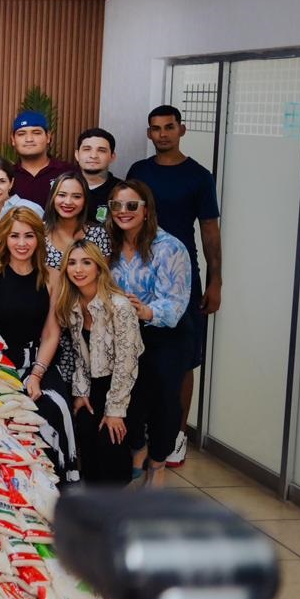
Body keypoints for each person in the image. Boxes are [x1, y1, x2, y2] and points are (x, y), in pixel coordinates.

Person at [126, 105, 221, 468]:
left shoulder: (199, 176)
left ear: (182, 129)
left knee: (184, 357)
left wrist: (215, 280)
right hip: (138, 272)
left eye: (169, 127)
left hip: (181, 276)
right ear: (149, 133)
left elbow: (210, 231)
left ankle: (177, 435)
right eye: (156, 128)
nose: (162, 134)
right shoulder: (139, 171)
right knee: (141, 353)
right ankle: (144, 432)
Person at [0, 208, 78, 482]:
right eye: (14, 236)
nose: (22, 243)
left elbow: (51, 333)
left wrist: (36, 375)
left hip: (36, 360)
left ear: (38, 238)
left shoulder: (52, 276)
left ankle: (59, 484)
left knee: (54, 407)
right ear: (4, 238)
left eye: (29, 236)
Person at [106, 180, 191, 488]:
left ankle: (157, 464)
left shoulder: (169, 247)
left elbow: (176, 303)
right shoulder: (108, 244)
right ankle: (138, 449)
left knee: (164, 406)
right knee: (129, 401)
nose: (123, 211)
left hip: (163, 335)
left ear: (146, 210)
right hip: (124, 336)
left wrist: (146, 311)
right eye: (117, 205)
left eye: (132, 205)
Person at [56, 239, 143, 485]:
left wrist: (115, 410)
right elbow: (79, 354)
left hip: (124, 387)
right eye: (72, 263)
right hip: (92, 384)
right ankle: (94, 500)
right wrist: (81, 392)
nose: (78, 269)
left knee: (110, 441)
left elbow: (127, 363)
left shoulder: (120, 306)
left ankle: (114, 502)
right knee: (85, 433)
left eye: (86, 262)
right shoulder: (71, 304)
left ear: (98, 267)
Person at [43, 172, 112, 271]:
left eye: (76, 196)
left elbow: (103, 276)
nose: (68, 202)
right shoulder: (39, 232)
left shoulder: (99, 234)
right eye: (62, 195)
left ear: (85, 200)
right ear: (53, 197)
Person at [11, 111, 76, 205]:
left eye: (36, 133)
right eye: (21, 134)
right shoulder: (7, 176)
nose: (29, 139)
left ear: (48, 137)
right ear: (13, 140)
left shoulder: (68, 172)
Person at [76, 128, 119, 224]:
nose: (93, 155)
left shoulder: (121, 191)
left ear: (112, 157)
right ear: (77, 155)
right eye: (87, 149)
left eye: (101, 150)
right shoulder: (63, 187)